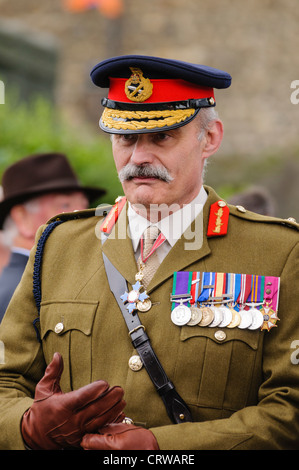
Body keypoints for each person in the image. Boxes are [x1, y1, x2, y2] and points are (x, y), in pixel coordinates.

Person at [0, 55, 298, 451]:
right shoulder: (59, 244)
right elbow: (6, 380)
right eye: (126, 138)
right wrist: (27, 426)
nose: (139, 157)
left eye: (162, 137)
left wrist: (163, 447)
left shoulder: (277, 252)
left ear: (209, 139)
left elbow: (287, 409)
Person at [0, 152, 106, 321]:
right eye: (65, 205)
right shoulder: (22, 294)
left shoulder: (41, 282)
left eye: (85, 206)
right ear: (22, 218)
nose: (86, 216)